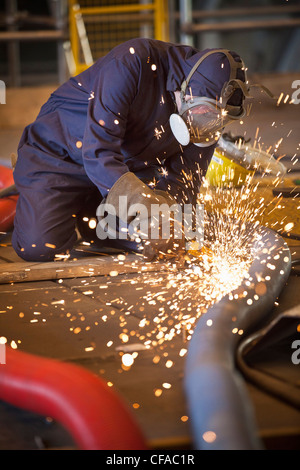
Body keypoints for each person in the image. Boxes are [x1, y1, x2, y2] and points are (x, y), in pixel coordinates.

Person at [12, 37, 249, 262]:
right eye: (205, 114)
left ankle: (95, 218)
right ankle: (34, 196)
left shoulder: (209, 118)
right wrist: (150, 214)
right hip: (61, 160)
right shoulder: (132, 62)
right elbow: (98, 153)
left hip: (129, 170)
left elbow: (185, 180)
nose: (208, 126)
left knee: (171, 239)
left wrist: (170, 220)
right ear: (186, 91)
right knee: (39, 247)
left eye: (219, 120)